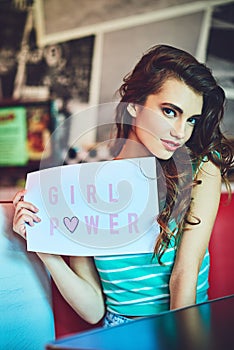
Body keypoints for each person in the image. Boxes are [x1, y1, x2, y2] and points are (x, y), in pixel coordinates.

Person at [13, 44, 233, 327]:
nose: (181, 132)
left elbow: (184, 278)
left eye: (191, 120)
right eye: (169, 111)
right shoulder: (82, 188)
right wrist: (43, 245)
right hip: (119, 328)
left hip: (185, 324)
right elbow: (93, 309)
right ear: (134, 105)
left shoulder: (202, 168)